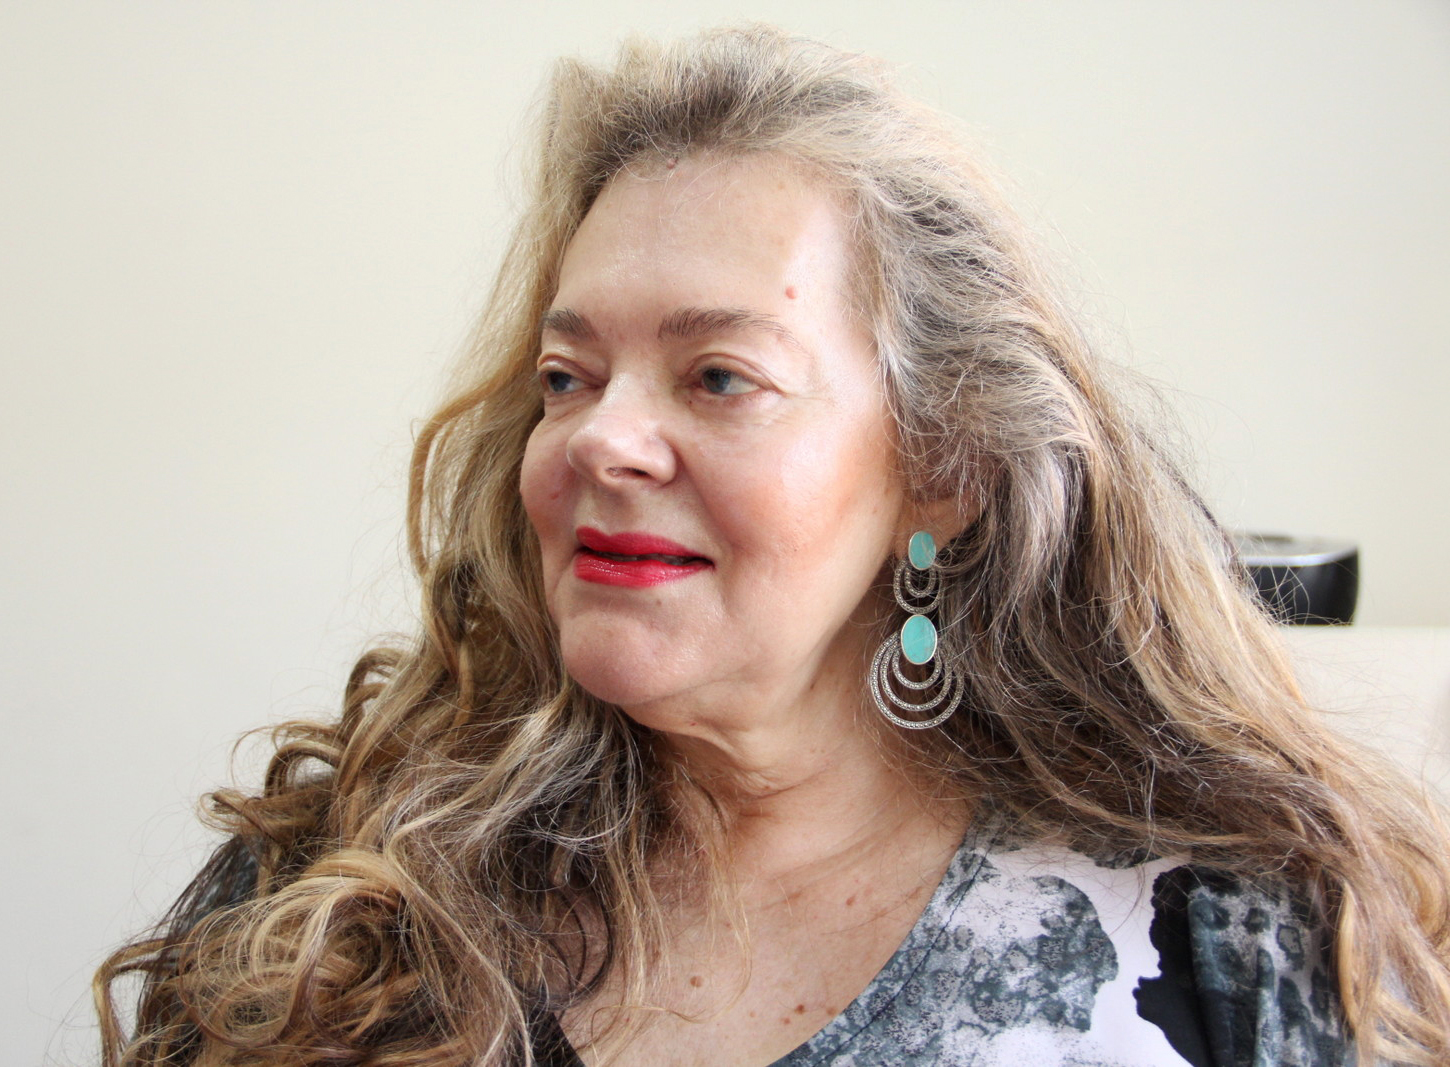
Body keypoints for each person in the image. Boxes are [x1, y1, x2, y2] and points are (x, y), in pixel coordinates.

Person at [97, 25, 1450, 1067]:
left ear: (941, 472)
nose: (599, 440)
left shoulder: (1225, 944)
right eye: (568, 378)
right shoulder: (332, 903)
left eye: (718, 377)